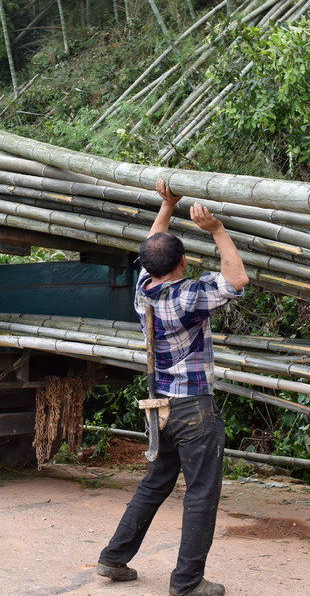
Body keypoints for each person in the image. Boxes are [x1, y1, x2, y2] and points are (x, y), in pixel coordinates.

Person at [97, 178, 249, 596]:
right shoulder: (187, 297)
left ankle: (113, 558)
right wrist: (217, 230)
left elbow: (153, 247)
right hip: (193, 411)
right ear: (181, 262)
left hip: (161, 408)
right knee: (201, 494)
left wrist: (167, 204)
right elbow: (237, 280)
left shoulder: (144, 291)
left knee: (155, 483)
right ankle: (186, 583)